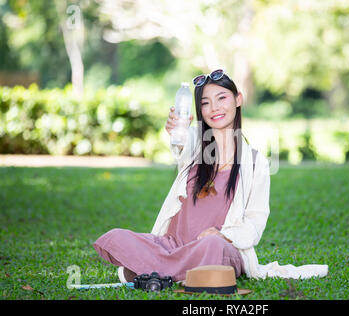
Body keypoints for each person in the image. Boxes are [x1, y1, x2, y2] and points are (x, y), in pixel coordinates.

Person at [92, 69, 328, 284]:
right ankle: (179, 270)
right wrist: (176, 130)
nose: (214, 108)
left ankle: (154, 271)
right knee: (115, 237)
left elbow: (255, 224)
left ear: (238, 99)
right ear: (199, 111)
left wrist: (223, 234)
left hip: (220, 248)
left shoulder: (256, 163)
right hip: (173, 246)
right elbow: (180, 145)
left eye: (222, 98)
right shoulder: (195, 145)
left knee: (212, 246)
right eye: (205, 103)